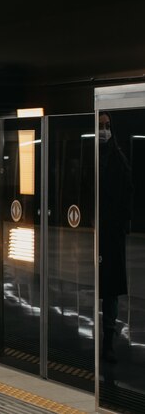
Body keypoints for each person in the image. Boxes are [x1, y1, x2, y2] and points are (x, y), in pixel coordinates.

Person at [98, 111, 133, 363]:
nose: (104, 130)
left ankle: (107, 339)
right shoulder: (91, 157)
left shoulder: (118, 159)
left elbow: (127, 197)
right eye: (100, 126)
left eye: (108, 126)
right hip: (95, 233)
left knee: (109, 290)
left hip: (111, 235)